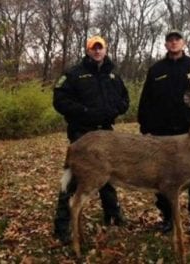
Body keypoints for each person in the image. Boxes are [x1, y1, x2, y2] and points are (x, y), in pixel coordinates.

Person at [138, 30, 190, 241]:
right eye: (170, 40)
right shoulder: (156, 70)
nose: (173, 43)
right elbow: (146, 100)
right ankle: (168, 220)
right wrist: (145, 127)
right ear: (165, 45)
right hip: (162, 135)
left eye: (177, 40)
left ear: (183, 43)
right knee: (163, 179)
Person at [52, 35, 129, 244]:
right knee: (74, 179)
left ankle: (113, 215)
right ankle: (62, 226)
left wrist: (114, 110)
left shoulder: (113, 74)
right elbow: (59, 100)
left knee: (108, 174)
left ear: (105, 50)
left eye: (100, 48)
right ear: (87, 50)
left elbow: (125, 99)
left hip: (106, 133)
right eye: (93, 48)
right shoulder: (74, 74)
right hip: (82, 134)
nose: (97, 51)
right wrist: (84, 112)